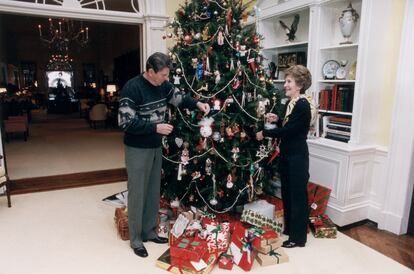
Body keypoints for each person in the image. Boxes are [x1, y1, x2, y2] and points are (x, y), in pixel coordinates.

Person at [118, 52, 210, 258]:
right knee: (137, 192)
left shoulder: (163, 86)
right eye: (163, 75)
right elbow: (125, 122)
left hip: (155, 146)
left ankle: (149, 231)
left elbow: (179, 98)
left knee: (152, 189)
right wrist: (155, 128)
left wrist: (198, 104)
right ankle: (136, 239)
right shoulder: (132, 88)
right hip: (137, 147)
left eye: (167, 75)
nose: (166, 79)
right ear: (150, 72)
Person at [256, 65, 313, 248]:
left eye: (289, 81)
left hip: (297, 157)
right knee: (288, 194)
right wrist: (277, 120)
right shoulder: (293, 103)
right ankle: (290, 230)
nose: (285, 85)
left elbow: (290, 130)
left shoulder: (303, 104)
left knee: (297, 197)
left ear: (299, 85)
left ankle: (298, 238)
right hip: (289, 155)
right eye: (286, 81)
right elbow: (290, 124)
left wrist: (265, 133)